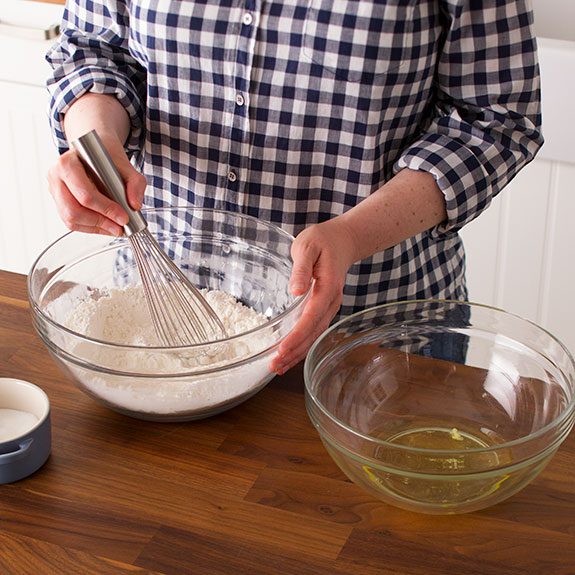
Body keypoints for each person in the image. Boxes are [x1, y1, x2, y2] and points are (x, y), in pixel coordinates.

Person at [45, 1, 543, 375]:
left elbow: (497, 121)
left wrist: (352, 235)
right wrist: (95, 138)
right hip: (156, 317)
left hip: (372, 336)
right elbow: (94, 52)